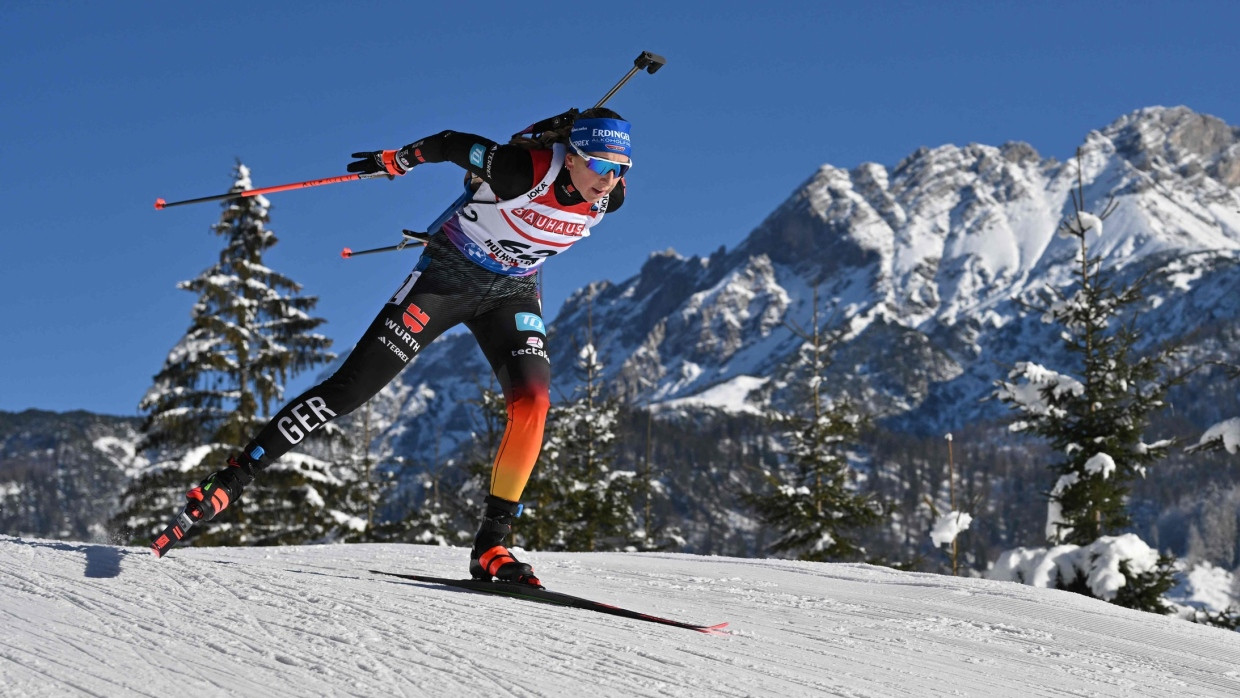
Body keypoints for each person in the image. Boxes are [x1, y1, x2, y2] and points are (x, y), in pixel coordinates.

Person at [177, 108, 632, 587]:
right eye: (600, 165)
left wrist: (606, 174)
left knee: (534, 400)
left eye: (621, 168)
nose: (609, 180)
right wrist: (399, 159)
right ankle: (232, 477)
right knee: (349, 391)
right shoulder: (520, 170)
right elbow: (452, 142)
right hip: (447, 279)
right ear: (574, 157)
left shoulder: (611, 197)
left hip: (511, 294)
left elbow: (593, 192)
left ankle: (492, 544)